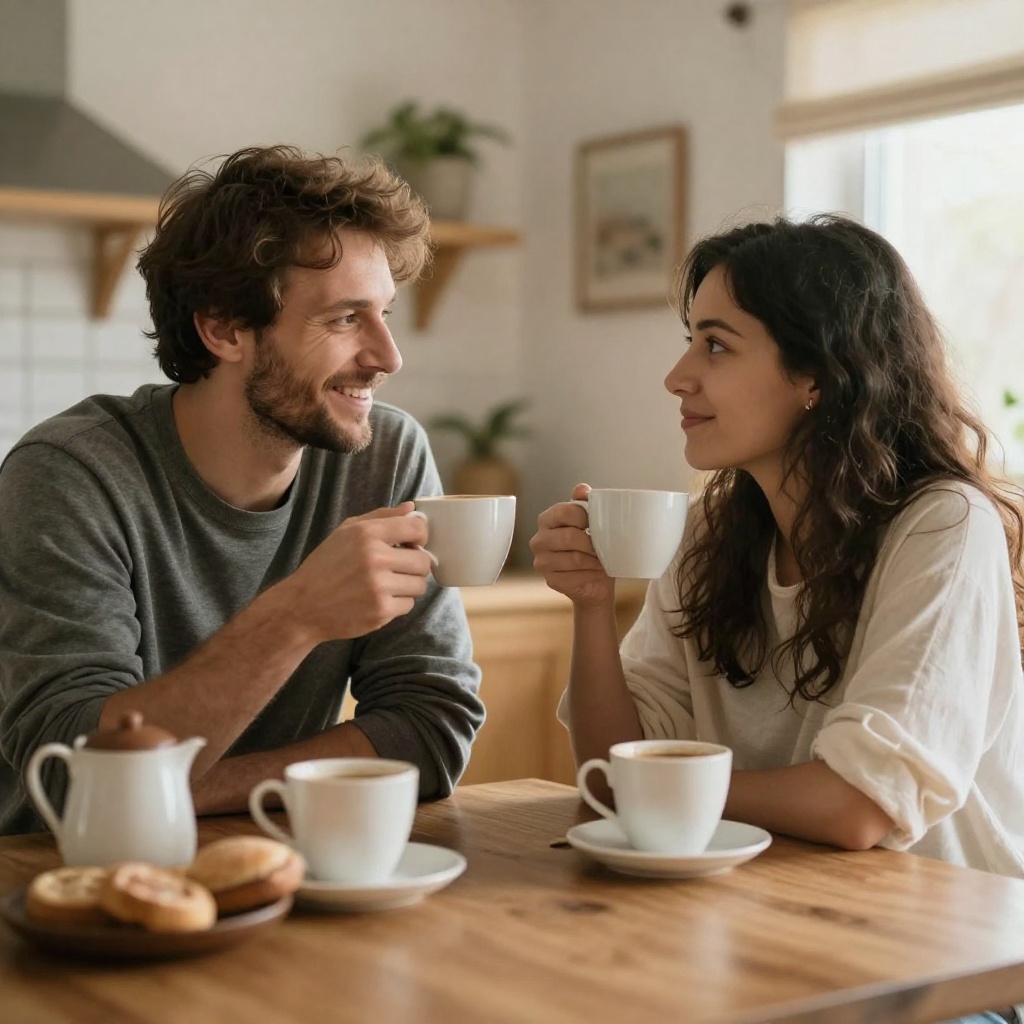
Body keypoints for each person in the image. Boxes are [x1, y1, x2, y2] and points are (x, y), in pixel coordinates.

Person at [532, 214, 1024, 1024]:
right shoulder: (707, 533)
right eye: (691, 340)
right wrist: (589, 608)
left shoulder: (942, 526)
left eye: (716, 345)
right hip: (769, 927)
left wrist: (654, 793)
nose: (677, 376)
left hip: (945, 978)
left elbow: (858, 806)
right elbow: (609, 769)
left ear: (818, 375)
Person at [0, 145, 484, 835]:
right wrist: (296, 615)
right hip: (73, 887)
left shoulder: (385, 456)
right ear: (224, 328)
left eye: (384, 313)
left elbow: (432, 727)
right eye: (346, 318)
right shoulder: (71, 474)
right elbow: (72, 770)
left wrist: (185, 791)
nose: (387, 356)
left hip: (289, 864)